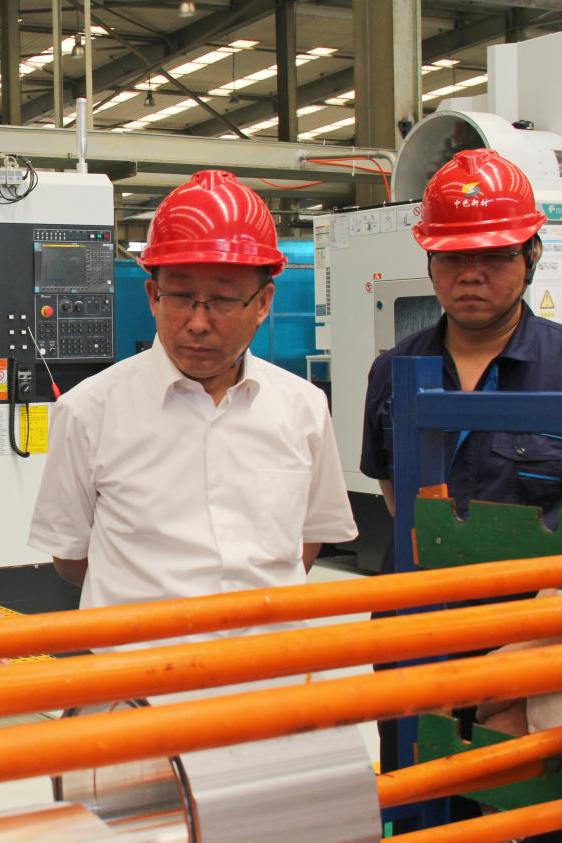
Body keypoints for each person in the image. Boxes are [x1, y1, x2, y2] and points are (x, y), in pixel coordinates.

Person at [29, 169, 357, 643]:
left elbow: (307, 539)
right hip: (141, 674)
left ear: (263, 303)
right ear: (152, 296)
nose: (198, 323)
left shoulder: (302, 407)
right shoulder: (89, 412)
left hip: (269, 671)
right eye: (180, 297)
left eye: (222, 300)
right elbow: (71, 556)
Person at [361, 149, 562, 825]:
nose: (470, 273)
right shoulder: (393, 370)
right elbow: (393, 488)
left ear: (531, 254)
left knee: (526, 811)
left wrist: (523, 647)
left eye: (494, 255)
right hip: (413, 636)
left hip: (538, 641)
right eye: (451, 256)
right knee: (418, 799)